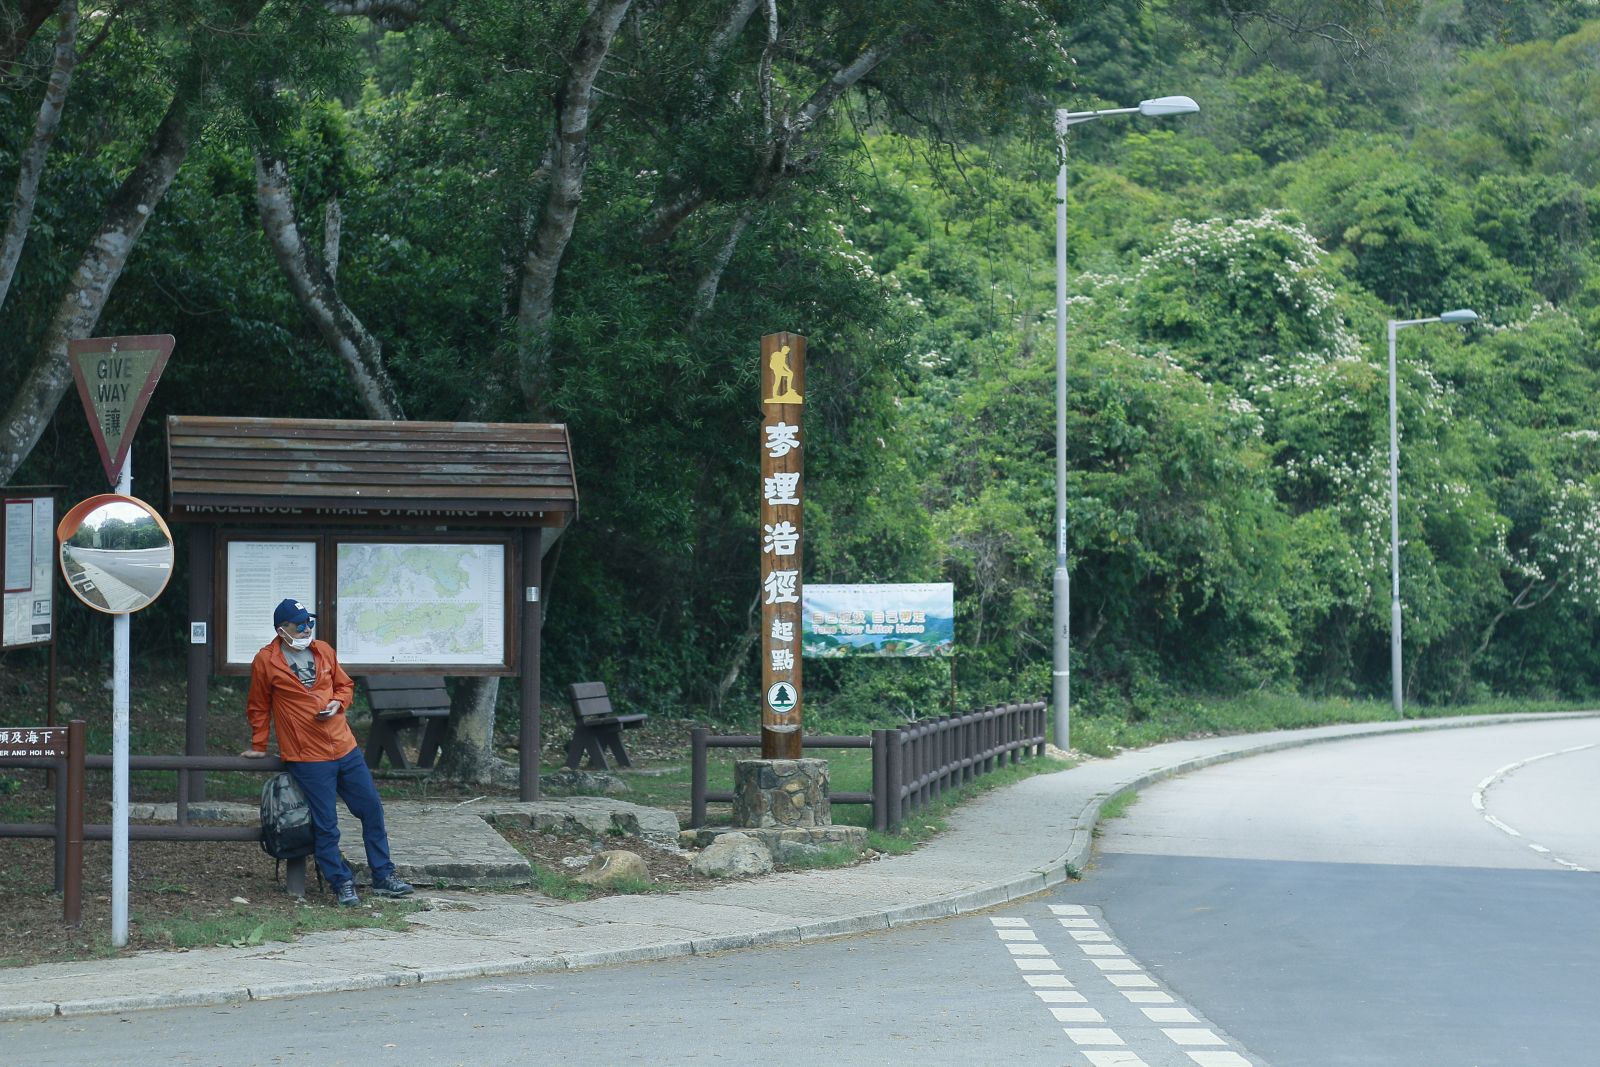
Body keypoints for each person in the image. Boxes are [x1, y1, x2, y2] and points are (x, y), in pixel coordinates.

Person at [241, 598, 413, 905]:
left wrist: (338, 703)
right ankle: (341, 882)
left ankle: (383, 875)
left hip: (344, 747)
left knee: (372, 808)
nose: (307, 628)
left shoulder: (323, 650)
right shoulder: (266, 661)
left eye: (309, 623)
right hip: (307, 756)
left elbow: (344, 685)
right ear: (283, 630)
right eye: (300, 625)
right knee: (326, 823)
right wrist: (258, 745)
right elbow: (258, 706)